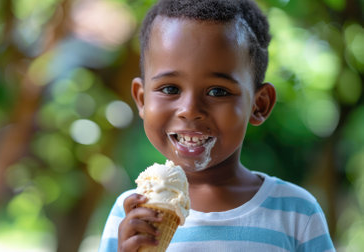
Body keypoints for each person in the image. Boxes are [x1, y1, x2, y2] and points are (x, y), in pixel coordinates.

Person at [99, 0, 335, 251]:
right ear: (142, 99)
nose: (189, 109)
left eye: (217, 91)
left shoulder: (296, 213)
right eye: (170, 89)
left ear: (259, 105)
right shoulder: (130, 214)